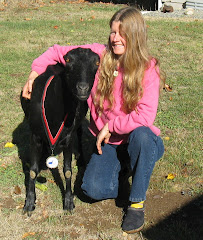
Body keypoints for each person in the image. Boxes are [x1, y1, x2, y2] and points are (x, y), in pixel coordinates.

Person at [22, 7, 165, 234]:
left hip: (136, 135)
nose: (115, 38)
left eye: (122, 33)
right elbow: (57, 51)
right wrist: (35, 72)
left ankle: (136, 203)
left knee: (143, 138)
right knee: (91, 190)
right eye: (112, 32)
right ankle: (129, 166)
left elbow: (145, 116)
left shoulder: (149, 69)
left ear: (135, 35)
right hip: (107, 141)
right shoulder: (99, 56)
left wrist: (111, 125)